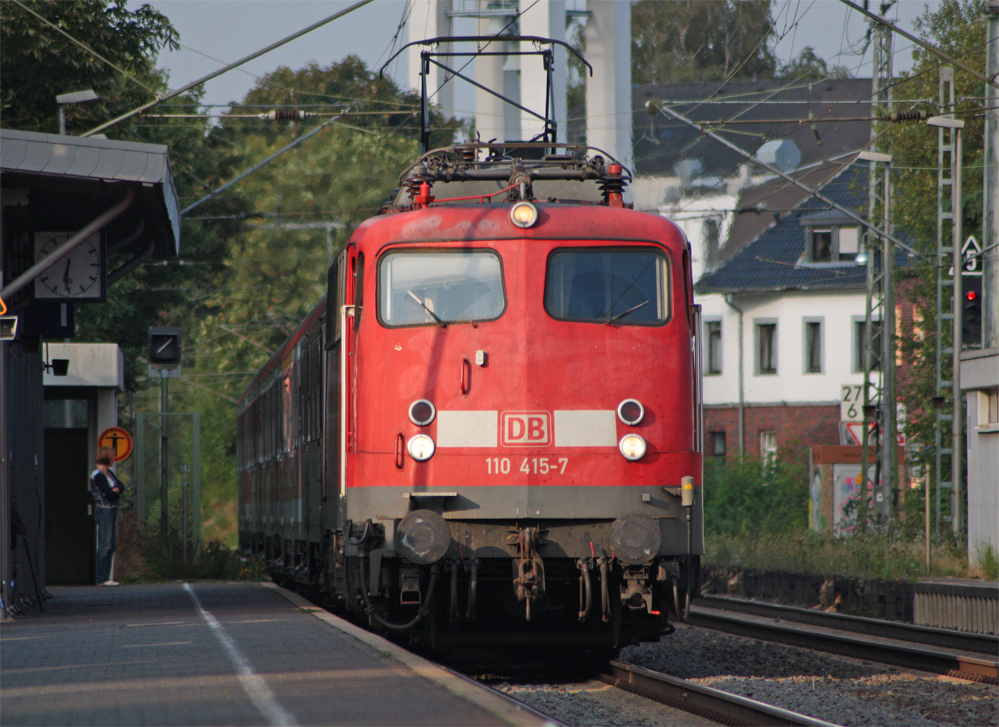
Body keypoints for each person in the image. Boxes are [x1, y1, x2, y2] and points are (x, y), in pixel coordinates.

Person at [90, 446, 122, 586]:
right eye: (112, 456)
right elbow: (110, 494)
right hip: (104, 510)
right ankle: (101, 578)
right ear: (107, 457)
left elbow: (121, 486)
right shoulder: (98, 475)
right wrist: (113, 492)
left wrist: (114, 490)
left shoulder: (108, 473)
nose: (114, 459)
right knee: (105, 544)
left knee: (111, 545)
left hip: (112, 510)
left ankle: (106, 576)